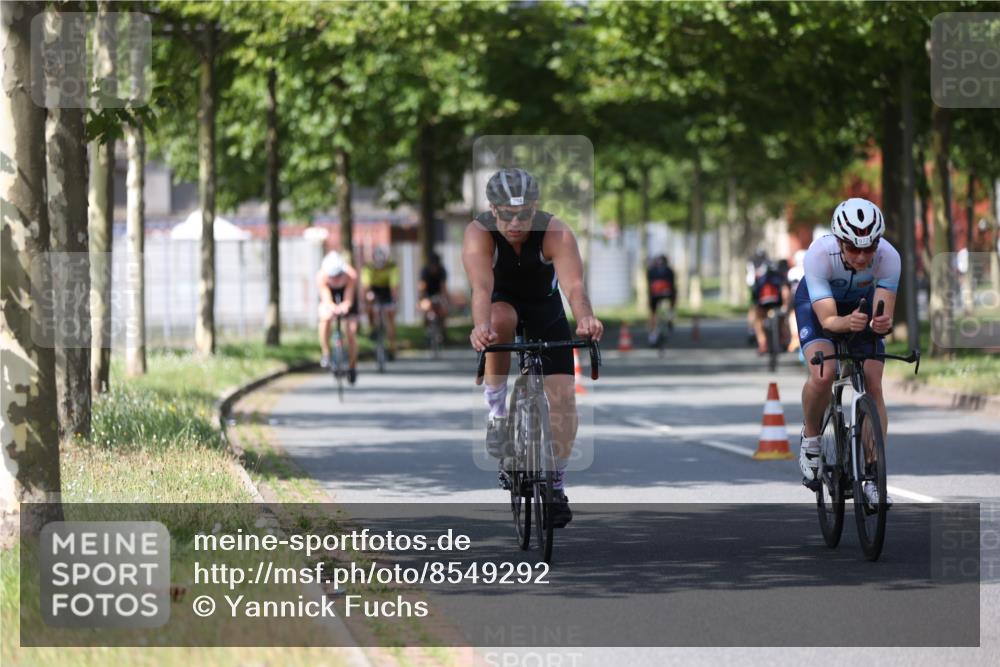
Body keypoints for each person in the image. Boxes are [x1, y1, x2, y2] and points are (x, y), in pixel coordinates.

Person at [463, 167, 604, 528]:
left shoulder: (555, 231)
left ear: (535, 207)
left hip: (545, 307)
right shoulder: (479, 233)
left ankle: (555, 482)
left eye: (524, 214)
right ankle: (497, 413)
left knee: (564, 400)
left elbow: (574, 287)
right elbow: (481, 288)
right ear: (492, 209)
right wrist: (480, 326)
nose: (515, 223)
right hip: (501, 302)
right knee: (498, 320)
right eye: (506, 214)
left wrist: (586, 319)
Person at [796, 197, 899, 506]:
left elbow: (884, 317)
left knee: (873, 379)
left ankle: (873, 474)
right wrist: (845, 322)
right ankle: (811, 439)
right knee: (823, 373)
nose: (862, 256)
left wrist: (881, 324)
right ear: (839, 241)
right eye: (853, 248)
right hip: (818, 306)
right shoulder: (818, 255)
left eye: (869, 248)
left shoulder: (889, 258)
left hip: (860, 305)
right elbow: (828, 320)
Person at [316, 249, 360, 384]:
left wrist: (345, 306)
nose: (335, 279)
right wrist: (332, 308)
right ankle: (326, 353)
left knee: (351, 331)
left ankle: (352, 366)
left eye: (338, 276)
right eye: (332, 276)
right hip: (330, 297)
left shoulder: (351, 275)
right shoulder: (321, 276)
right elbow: (326, 298)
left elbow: (349, 299)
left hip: (346, 295)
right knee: (324, 319)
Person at [362, 246, 399, 359]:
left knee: (390, 317)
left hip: (387, 290)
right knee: (369, 303)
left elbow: (394, 286)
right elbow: (366, 286)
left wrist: (394, 299)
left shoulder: (392, 266)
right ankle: (371, 327)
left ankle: (392, 346)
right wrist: (368, 296)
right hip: (374, 289)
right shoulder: (368, 267)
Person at [749, 258, 791, 354]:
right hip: (778, 304)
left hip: (763, 305)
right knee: (783, 319)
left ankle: (762, 342)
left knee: (757, 319)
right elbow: (785, 292)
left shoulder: (760, 278)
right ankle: (783, 338)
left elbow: (755, 296)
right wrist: (785, 306)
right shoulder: (779, 277)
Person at [646, 254, 676, 345]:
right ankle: (670, 316)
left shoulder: (651, 271)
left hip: (655, 296)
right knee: (671, 302)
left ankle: (652, 334)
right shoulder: (669, 271)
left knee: (653, 313)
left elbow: (649, 285)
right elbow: (672, 285)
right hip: (667, 295)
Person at [419, 252, 449, 337]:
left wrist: (445, 299)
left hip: (438, 293)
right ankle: (427, 330)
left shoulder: (442, 271)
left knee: (443, 310)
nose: (434, 268)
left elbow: (443, 287)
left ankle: (443, 330)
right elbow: (422, 287)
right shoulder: (424, 271)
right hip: (427, 293)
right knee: (425, 308)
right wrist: (422, 299)